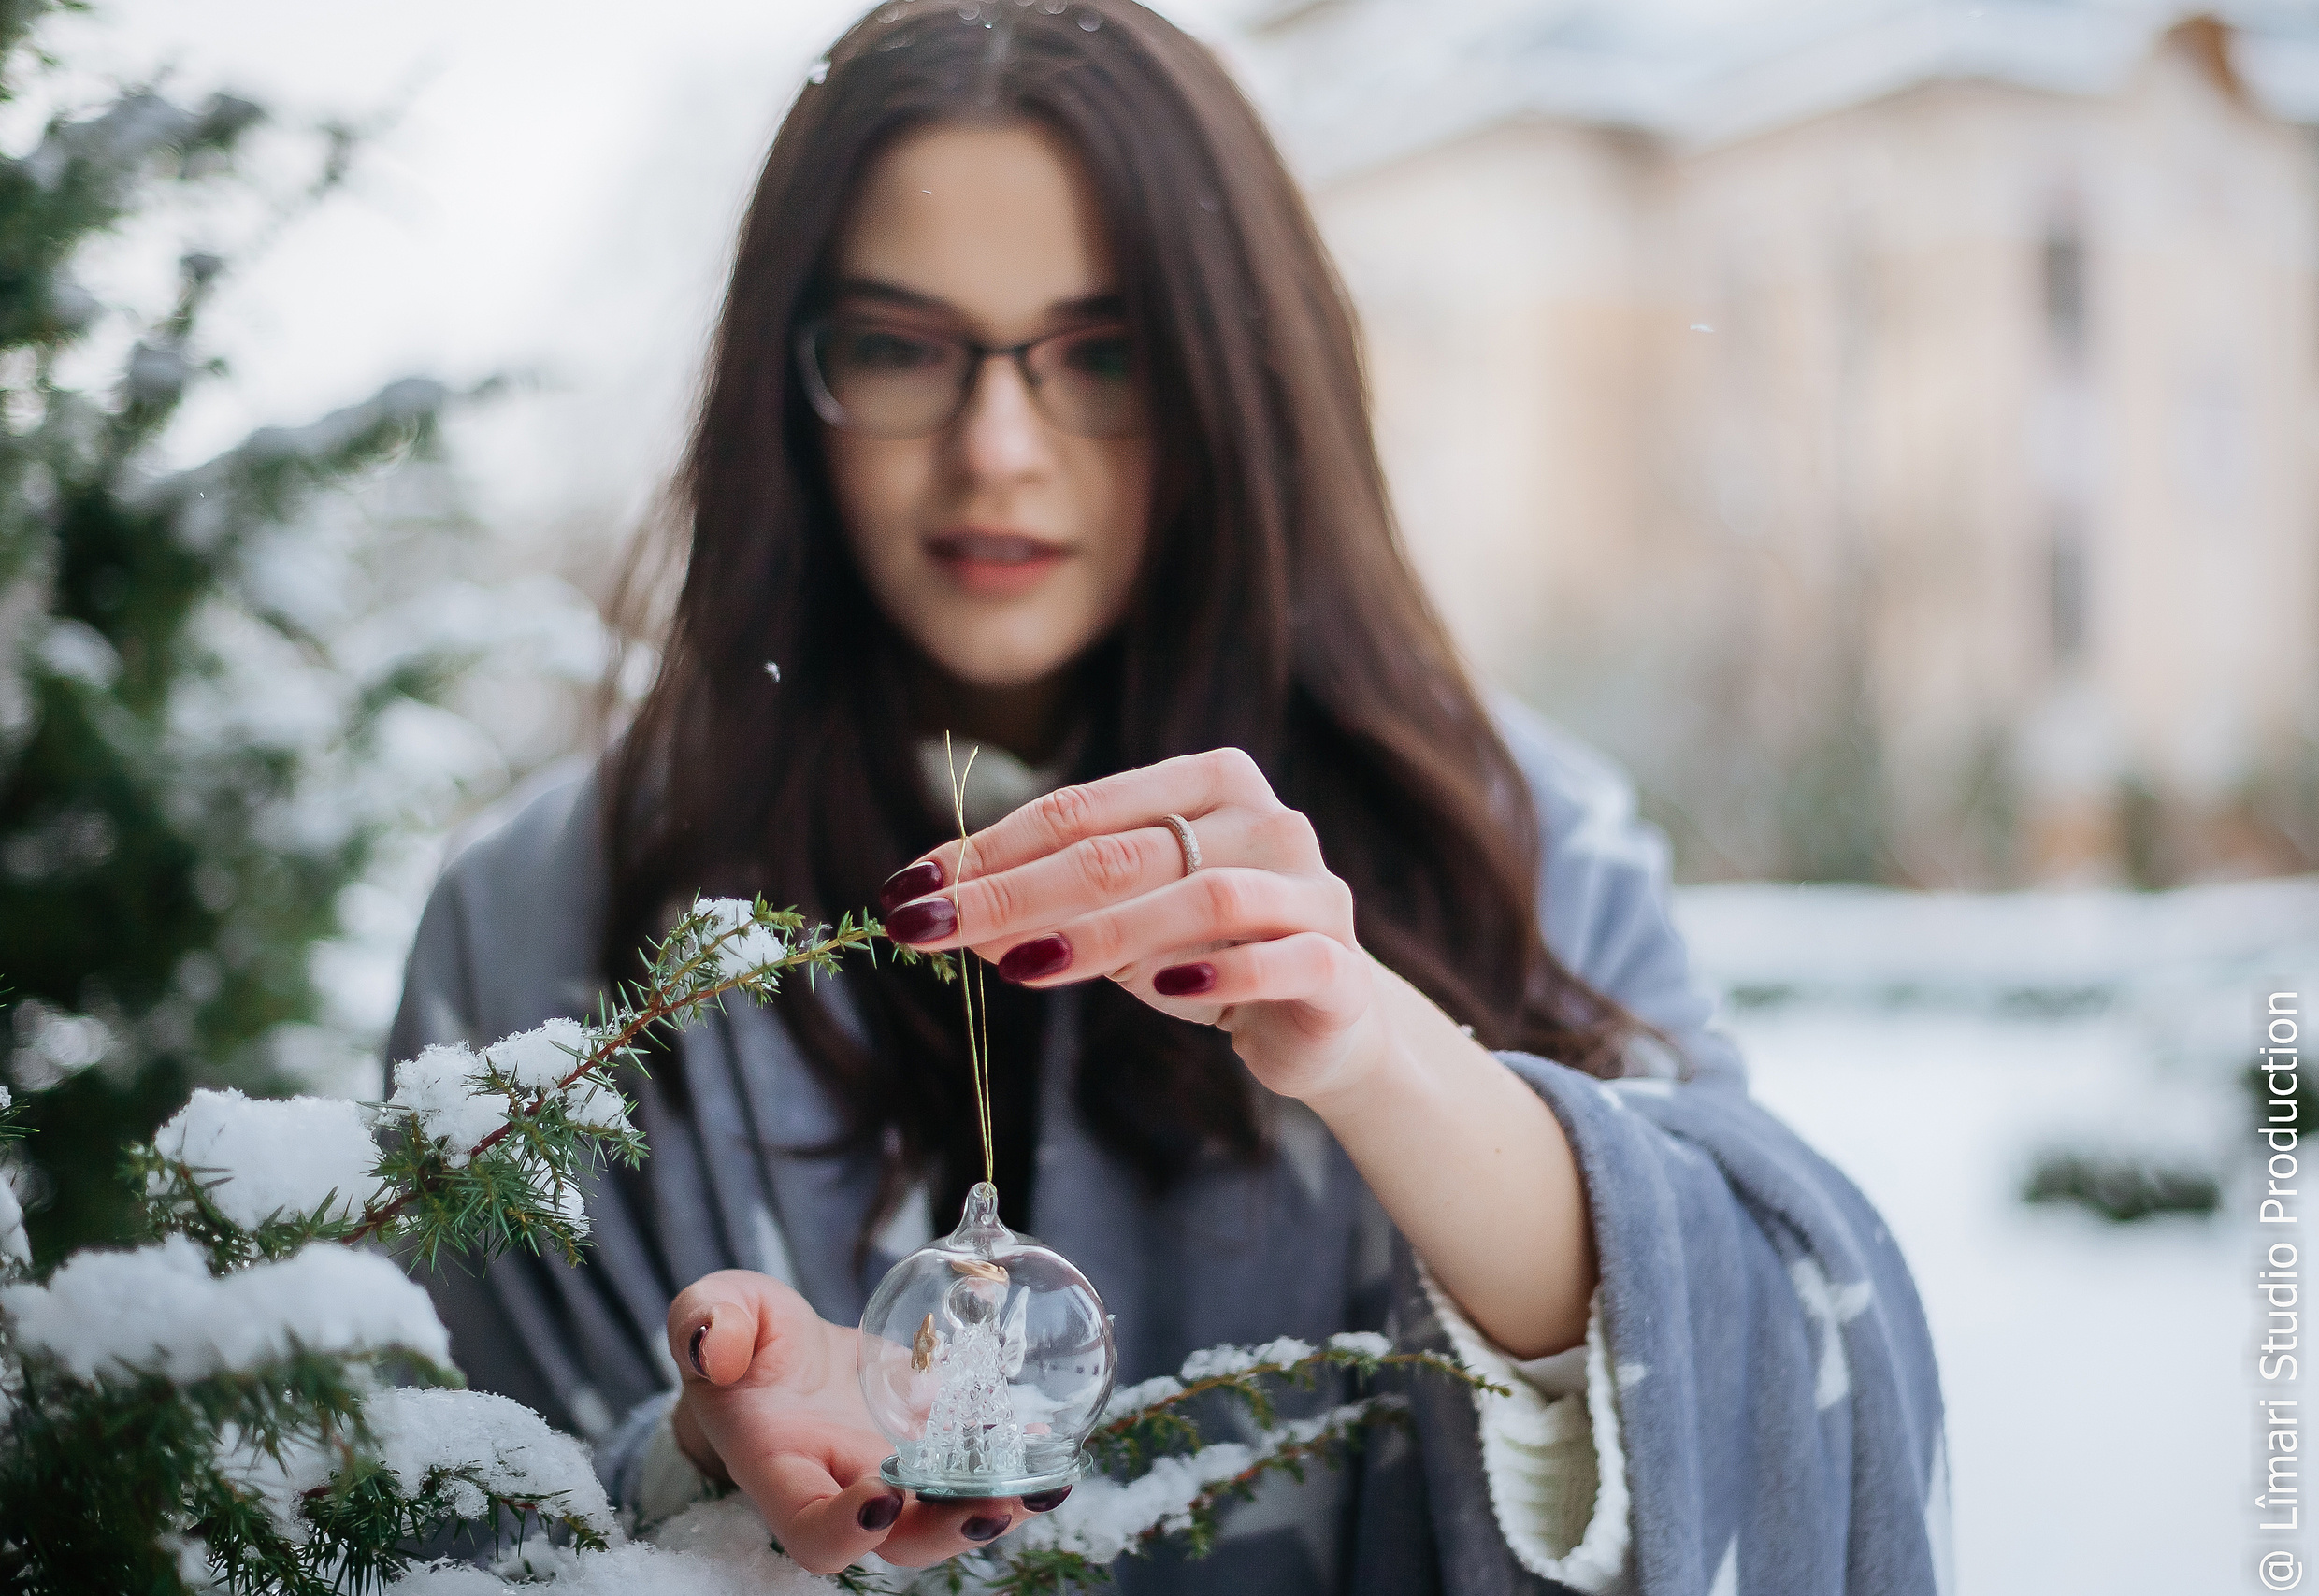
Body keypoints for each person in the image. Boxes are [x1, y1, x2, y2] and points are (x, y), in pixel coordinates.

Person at [386, 3, 1947, 1592]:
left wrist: (1378, 1054)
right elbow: (405, 1519)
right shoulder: (542, 912)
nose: (999, 447)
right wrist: (699, 1467)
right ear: (785, 383)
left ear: (1237, 381)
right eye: (901, 347)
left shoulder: (1522, 842)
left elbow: (1771, 1381)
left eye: (1105, 354)